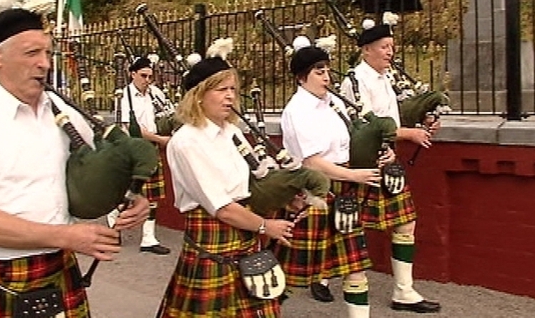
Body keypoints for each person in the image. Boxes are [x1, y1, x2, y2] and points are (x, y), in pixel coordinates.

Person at [0, 8, 150, 317]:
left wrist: (131, 197)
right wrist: (67, 236)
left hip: (56, 266)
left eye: (48, 53)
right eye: (32, 53)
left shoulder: (63, 111)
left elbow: (99, 167)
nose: (45, 63)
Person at [156, 40, 296, 317]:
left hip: (245, 235)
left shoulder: (232, 131)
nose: (230, 96)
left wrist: (284, 197)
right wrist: (266, 226)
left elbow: (253, 181)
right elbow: (221, 207)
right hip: (214, 241)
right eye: (221, 90)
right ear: (198, 95)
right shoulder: (187, 142)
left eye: (233, 89)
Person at [276, 37, 390, 318]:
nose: (327, 77)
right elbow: (313, 162)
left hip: (342, 190)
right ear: (301, 77)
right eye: (319, 71)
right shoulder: (297, 110)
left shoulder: (332, 103)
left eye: (327, 70)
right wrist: (354, 175)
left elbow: (353, 140)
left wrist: (380, 149)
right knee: (290, 275)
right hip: (312, 192)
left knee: (355, 267)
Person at [339, 14, 441, 314]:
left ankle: (404, 291)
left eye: (392, 47)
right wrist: (410, 134)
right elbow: (368, 125)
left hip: (387, 160)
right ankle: (323, 276)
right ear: (366, 49)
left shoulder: (386, 78)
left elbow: (395, 116)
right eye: (384, 47)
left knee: (405, 221)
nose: (390, 52)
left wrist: (423, 121)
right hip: (363, 163)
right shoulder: (355, 82)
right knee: (349, 229)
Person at [107, 55, 171, 255]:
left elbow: (167, 115)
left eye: (150, 76)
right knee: (128, 193)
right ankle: (113, 220)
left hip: (152, 147)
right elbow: (131, 128)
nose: (147, 80)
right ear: (132, 74)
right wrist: (160, 139)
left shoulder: (156, 94)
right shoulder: (123, 96)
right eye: (143, 76)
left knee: (153, 197)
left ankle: (148, 239)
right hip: (133, 147)